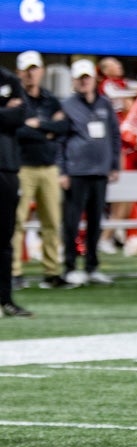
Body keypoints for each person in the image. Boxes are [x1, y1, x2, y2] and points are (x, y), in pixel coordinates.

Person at [11, 51, 72, 290]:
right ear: (19, 73)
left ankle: (52, 271)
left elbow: (63, 127)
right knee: (16, 221)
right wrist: (46, 130)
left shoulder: (50, 99)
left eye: (34, 68)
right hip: (22, 167)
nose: (30, 73)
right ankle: (14, 271)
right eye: (26, 69)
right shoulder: (14, 100)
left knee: (52, 221)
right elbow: (16, 130)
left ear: (41, 70)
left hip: (48, 168)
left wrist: (38, 125)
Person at [58, 59, 121, 286]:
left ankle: (92, 266)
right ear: (74, 80)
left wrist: (114, 165)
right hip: (75, 172)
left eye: (87, 77)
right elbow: (60, 141)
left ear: (94, 79)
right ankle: (70, 267)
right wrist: (62, 170)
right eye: (80, 78)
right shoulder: (66, 105)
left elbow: (114, 136)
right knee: (72, 222)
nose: (84, 81)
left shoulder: (105, 104)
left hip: (100, 173)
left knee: (96, 221)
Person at [1, 60, 32, 317]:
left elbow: (21, 115)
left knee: (5, 236)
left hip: (6, 167)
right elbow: (10, 116)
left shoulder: (9, 80)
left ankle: (5, 299)